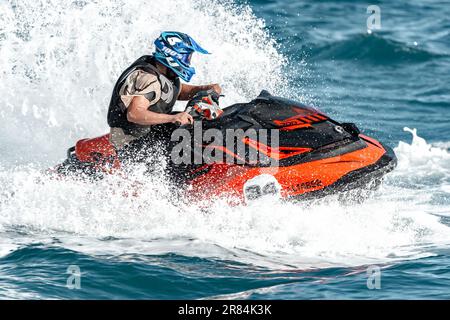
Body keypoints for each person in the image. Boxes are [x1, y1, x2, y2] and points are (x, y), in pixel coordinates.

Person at [107, 31, 221, 151]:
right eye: (186, 57)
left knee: (194, 126)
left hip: (148, 133)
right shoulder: (149, 78)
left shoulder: (161, 71)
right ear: (173, 55)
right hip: (130, 142)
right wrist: (173, 118)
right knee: (185, 136)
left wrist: (205, 89)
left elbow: (175, 91)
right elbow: (134, 114)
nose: (188, 62)